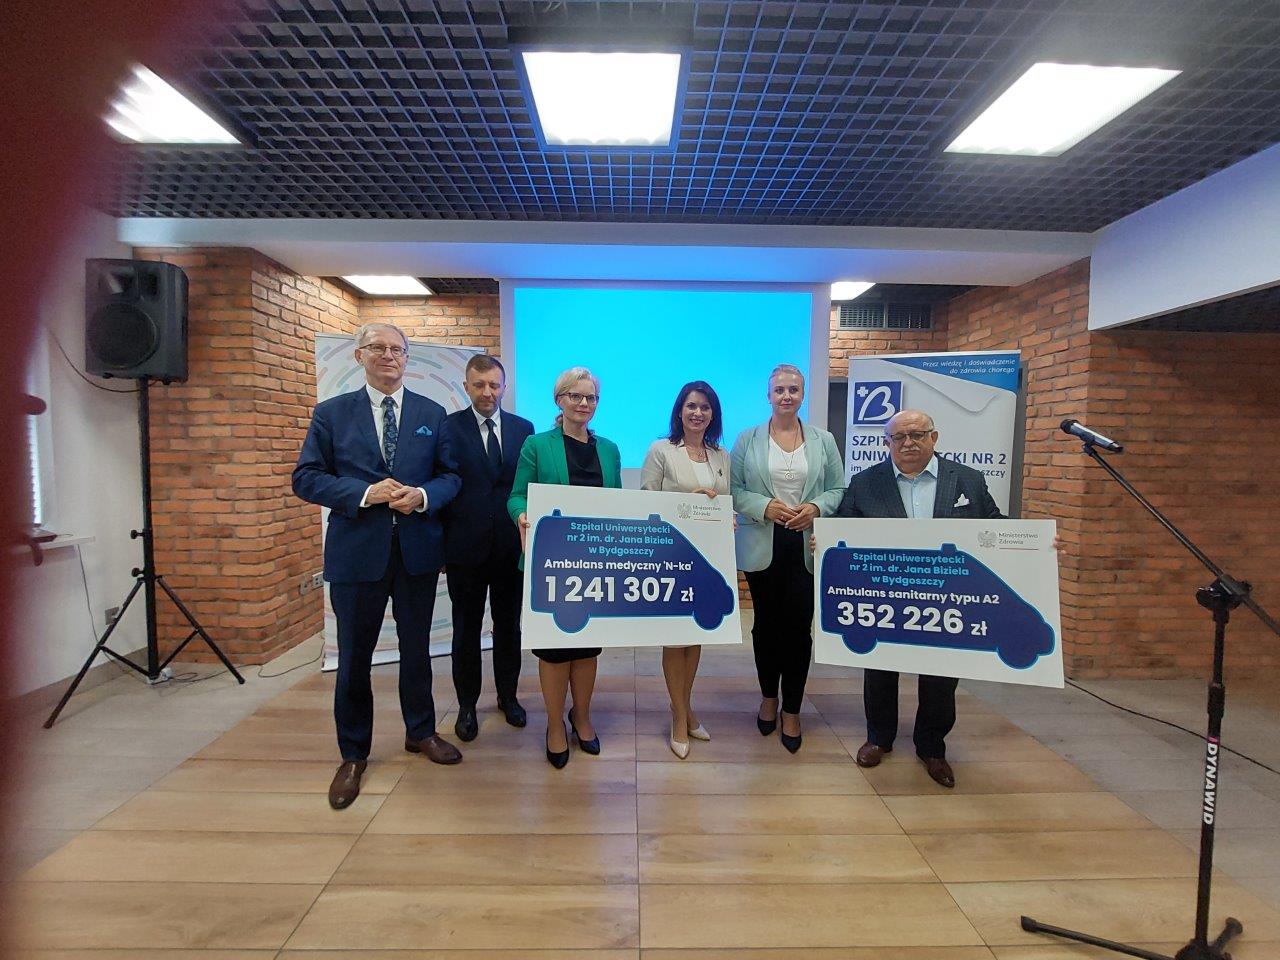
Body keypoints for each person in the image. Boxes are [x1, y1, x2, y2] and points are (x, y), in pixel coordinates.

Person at [293, 323, 464, 810]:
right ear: (359, 356)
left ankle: (421, 732)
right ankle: (353, 755)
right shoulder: (331, 414)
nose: (389, 356)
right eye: (378, 348)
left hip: (416, 553)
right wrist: (366, 493)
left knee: (417, 651)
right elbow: (306, 478)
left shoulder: (432, 413)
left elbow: (451, 476)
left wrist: (423, 495)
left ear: (407, 358)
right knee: (353, 659)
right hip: (356, 556)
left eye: (397, 349)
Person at [834, 408, 1003, 789]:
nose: (908, 443)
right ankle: (879, 738)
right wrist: (827, 542)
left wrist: (1036, 543)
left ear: (934, 437)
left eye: (917, 435)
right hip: (885, 595)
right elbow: (843, 527)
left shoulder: (969, 480)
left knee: (941, 674)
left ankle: (932, 747)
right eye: (899, 437)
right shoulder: (865, 483)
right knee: (880, 668)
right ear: (887, 443)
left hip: (947, 598)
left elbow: (994, 525)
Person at [508, 367, 622, 768]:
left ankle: (582, 717)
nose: (583, 404)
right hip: (551, 564)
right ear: (559, 400)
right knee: (555, 649)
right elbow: (517, 496)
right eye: (575, 396)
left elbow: (617, 504)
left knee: (588, 648)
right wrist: (521, 515)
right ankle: (555, 724)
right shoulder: (537, 445)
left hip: (595, 564)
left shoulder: (609, 449)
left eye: (590, 397)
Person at [730, 364, 844, 753]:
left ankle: (792, 709)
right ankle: (768, 698)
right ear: (768, 395)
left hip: (806, 545)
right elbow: (734, 489)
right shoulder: (747, 439)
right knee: (765, 627)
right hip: (763, 542)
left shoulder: (823, 440)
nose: (786, 396)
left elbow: (838, 489)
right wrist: (764, 506)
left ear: (802, 394)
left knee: (798, 630)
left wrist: (815, 507)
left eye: (793, 389)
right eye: (779, 389)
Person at [437, 354, 534, 742]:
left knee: (509, 627)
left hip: (511, 548)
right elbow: (440, 485)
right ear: (466, 386)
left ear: (504, 387)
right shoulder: (447, 428)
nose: (488, 392)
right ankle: (466, 706)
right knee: (466, 629)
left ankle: (508, 697)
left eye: (494, 385)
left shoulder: (524, 429)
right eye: (479, 385)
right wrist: (441, 548)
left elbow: (527, 488)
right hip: (464, 549)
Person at [640, 380, 731, 758]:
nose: (698, 413)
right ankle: (679, 717)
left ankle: (686, 706)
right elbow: (646, 502)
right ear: (680, 411)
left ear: (713, 414)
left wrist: (727, 517)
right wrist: (684, 503)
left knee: (695, 636)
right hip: (671, 555)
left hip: (708, 558)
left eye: (705, 407)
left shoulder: (721, 455)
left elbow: (726, 501)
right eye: (691, 406)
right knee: (674, 638)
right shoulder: (661, 450)